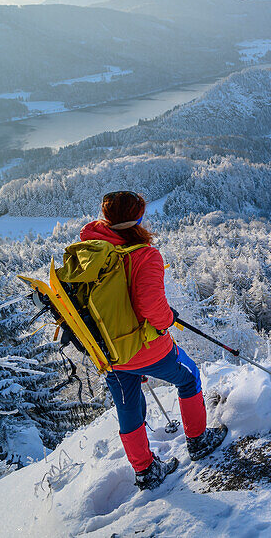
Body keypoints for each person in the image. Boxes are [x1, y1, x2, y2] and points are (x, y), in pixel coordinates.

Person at [82, 190, 227, 490]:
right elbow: (150, 306)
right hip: (146, 348)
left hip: (108, 351)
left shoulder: (90, 252)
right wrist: (167, 319)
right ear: (138, 218)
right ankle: (198, 441)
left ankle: (146, 472)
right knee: (188, 378)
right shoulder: (144, 254)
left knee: (128, 407)